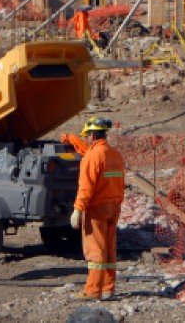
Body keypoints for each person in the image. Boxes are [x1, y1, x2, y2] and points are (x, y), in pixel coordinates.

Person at [70, 117, 125, 301]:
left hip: (96, 209)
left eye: (86, 136)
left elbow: (86, 186)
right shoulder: (114, 153)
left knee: (96, 249)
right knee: (109, 249)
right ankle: (108, 288)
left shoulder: (92, 156)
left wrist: (78, 209)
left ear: (92, 135)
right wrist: (74, 141)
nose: (86, 139)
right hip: (114, 206)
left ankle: (93, 290)